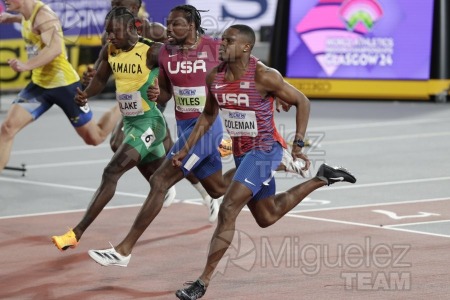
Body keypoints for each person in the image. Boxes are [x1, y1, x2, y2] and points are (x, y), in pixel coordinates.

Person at [86, 4, 309, 268]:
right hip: (185, 126)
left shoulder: (215, 47)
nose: (169, 29)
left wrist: (277, 94)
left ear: (191, 26)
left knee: (160, 181)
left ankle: (124, 250)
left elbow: (256, 66)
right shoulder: (165, 54)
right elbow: (168, 94)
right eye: (168, 24)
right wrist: (158, 95)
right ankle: (278, 162)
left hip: (205, 129)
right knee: (217, 188)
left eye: (176, 24)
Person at [174, 24, 356, 299]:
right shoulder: (214, 77)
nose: (221, 45)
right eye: (222, 40)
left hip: (265, 149)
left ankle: (202, 282)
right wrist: (186, 148)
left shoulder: (264, 76)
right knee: (266, 216)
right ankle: (323, 177)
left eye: (229, 41)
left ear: (246, 47)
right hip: (241, 151)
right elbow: (208, 115)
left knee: (228, 206)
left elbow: (302, 101)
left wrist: (297, 146)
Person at [82, 0, 224, 222]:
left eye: (124, 5)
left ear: (137, 7)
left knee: (161, 152)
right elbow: (103, 64)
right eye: (114, 4)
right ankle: (179, 186)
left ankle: (190, 190)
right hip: (131, 100)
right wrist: (92, 77)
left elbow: (176, 53)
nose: (118, 8)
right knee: (162, 152)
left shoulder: (155, 31)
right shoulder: (112, 33)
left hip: (154, 100)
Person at [51, 7, 167, 251]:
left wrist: (162, 92)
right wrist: (86, 94)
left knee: (111, 171)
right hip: (130, 122)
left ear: (130, 28)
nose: (109, 37)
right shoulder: (110, 50)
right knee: (162, 181)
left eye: (114, 32)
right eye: (107, 33)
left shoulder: (151, 50)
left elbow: (180, 75)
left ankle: (76, 233)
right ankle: (212, 193)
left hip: (150, 123)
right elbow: (101, 79)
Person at [0, 0, 121, 174]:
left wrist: (27, 65)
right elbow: (28, 21)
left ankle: (123, 105)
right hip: (40, 86)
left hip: (64, 86)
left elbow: (55, 48)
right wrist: (11, 19)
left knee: (95, 137)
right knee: (7, 128)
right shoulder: (27, 12)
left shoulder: (44, 16)